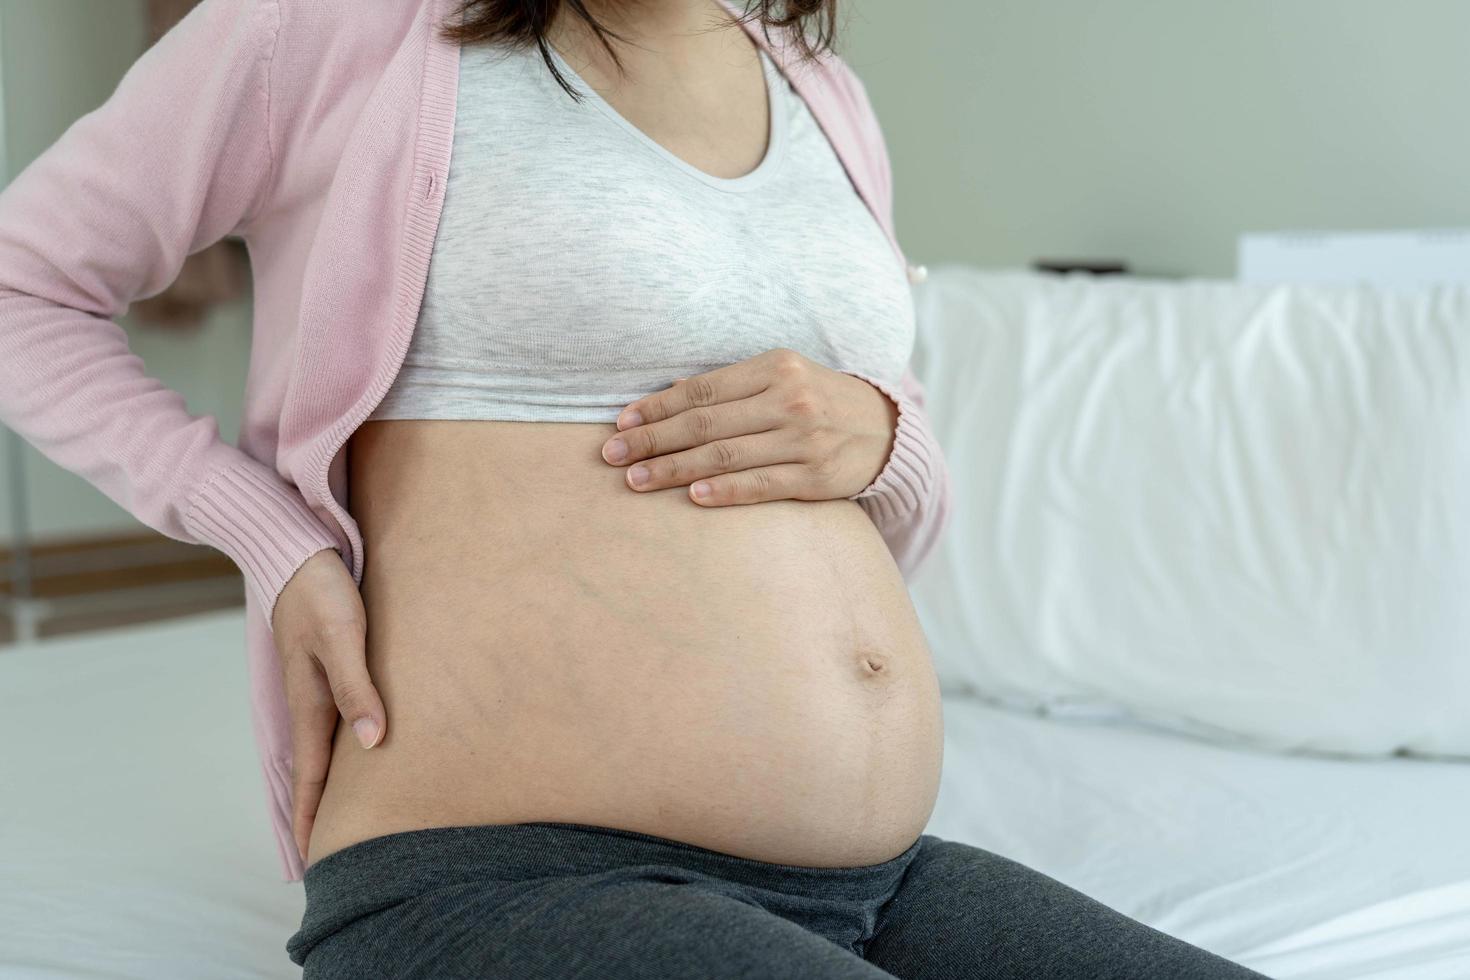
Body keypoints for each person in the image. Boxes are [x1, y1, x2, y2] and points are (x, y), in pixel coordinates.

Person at [0, 0, 1270, 975]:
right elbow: (24, 285)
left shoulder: (813, 80)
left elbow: (886, 471)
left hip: (879, 878)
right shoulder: (341, 26)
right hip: (508, 875)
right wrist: (269, 537)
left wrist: (883, 437)